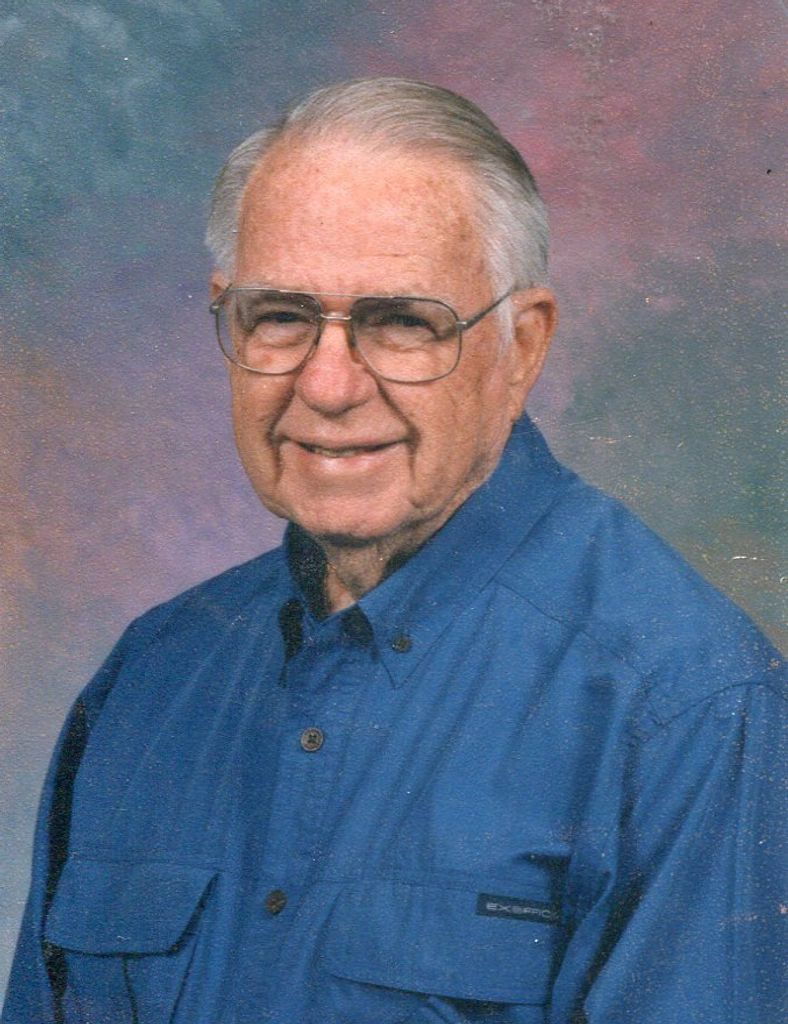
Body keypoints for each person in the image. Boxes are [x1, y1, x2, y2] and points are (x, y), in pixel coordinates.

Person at [3, 77, 784, 1024]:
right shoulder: (152, 677)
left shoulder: (688, 708)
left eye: (403, 323)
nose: (328, 387)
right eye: (281, 316)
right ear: (227, 321)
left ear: (523, 346)